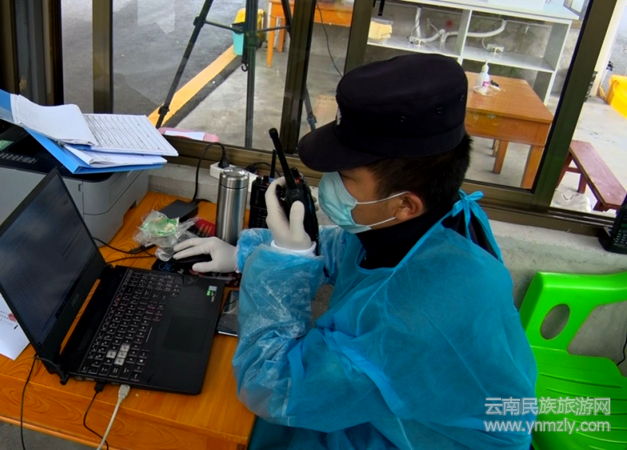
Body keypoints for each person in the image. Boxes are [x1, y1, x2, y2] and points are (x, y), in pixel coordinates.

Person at [173, 54, 537, 449]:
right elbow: (351, 250)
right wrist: (245, 251)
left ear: (405, 203)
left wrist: (282, 264)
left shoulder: (414, 321)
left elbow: (273, 388)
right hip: (400, 404)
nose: (329, 183)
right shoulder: (426, 219)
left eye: (345, 176)